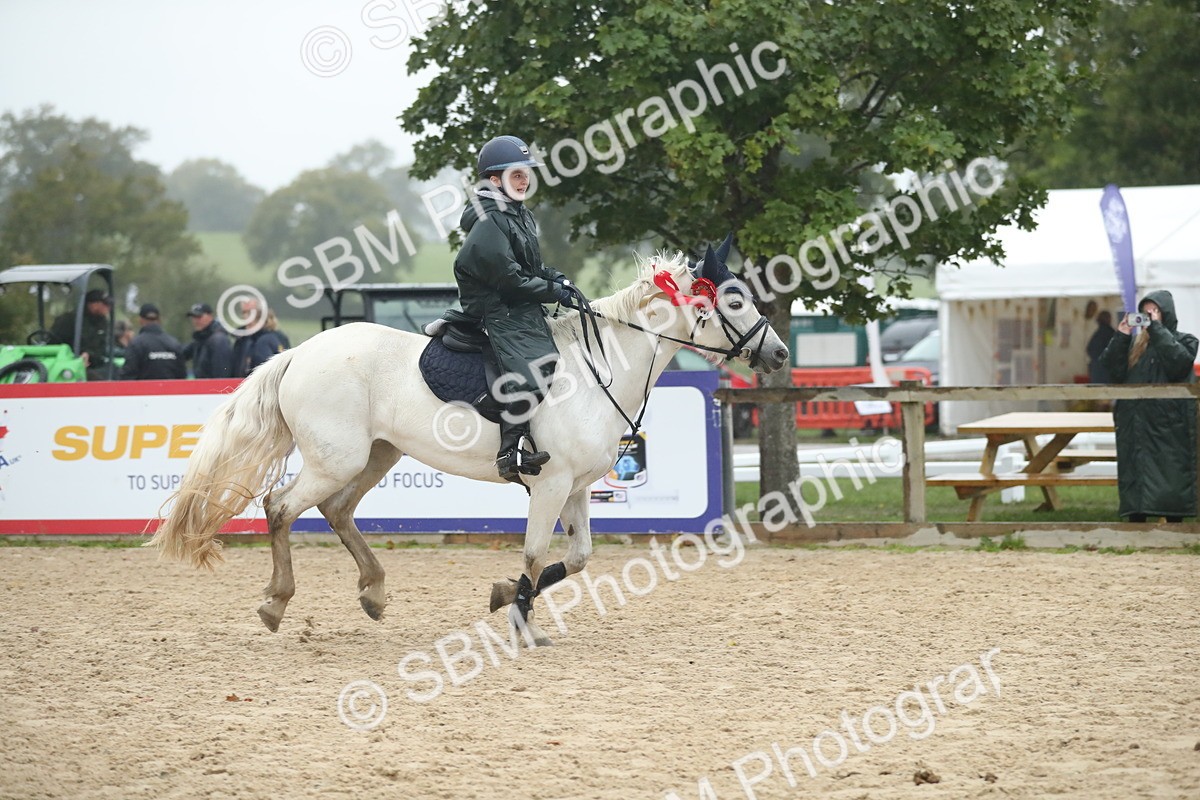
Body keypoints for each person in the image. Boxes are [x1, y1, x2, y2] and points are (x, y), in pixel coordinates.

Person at [451, 134, 573, 482]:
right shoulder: (489, 222)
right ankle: (511, 450)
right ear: (494, 180)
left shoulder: (519, 215)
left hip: (517, 309)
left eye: (525, 174)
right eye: (516, 174)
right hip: (495, 313)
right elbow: (510, 281)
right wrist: (552, 292)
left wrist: (559, 281)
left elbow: (530, 270)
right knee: (529, 366)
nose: (524, 180)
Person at [1101, 290, 1198, 522]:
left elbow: (1178, 363)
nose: (1148, 316)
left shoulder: (1186, 340)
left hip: (1169, 426)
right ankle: (1137, 524)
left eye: (1154, 311)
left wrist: (1157, 329)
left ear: (1166, 313)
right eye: (1145, 312)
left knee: (1171, 476)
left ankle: (1175, 524)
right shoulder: (1135, 345)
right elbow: (1113, 370)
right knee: (1137, 474)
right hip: (1136, 424)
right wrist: (1122, 336)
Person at [48, 288, 112, 380]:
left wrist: (90, 355)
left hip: (95, 364)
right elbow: (55, 344)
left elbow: (101, 348)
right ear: (93, 304)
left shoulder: (103, 323)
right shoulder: (68, 320)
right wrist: (77, 357)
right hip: (69, 365)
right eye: (105, 304)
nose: (108, 308)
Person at [120, 303, 187, 380]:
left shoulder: (136, 344)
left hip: (144, 391)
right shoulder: (174, 344)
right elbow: (182, 376)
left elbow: (127, 376)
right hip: (170, 391)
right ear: (159, 320)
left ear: (140, 320)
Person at [231, 300, 287, 377]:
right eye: (244, 312)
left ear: (261, 315)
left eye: (250, 313)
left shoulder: (272, 338)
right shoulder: (242, 338)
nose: (245, 317)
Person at [183, 302, 234, 378]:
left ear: (210, 316)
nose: (196, 320)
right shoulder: (200, 339)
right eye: (193, 317)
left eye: (199, 316)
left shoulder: (218, 340)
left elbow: (222, 375)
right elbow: (181, 353)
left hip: (212, 388)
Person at [1085, 305, 1115, 384]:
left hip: (1096, 371)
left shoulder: (1097, 334)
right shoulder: (1111, 334)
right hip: (1108, 371)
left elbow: (1089, 349)